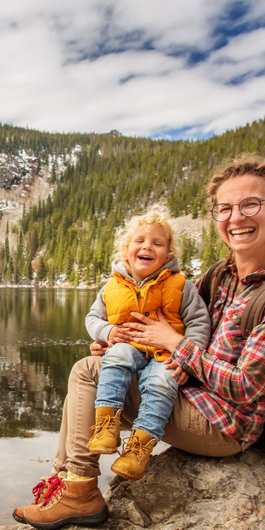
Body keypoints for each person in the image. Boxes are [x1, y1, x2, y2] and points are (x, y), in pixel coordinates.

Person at [13, 155, 265, 530]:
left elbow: (247, 387)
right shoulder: (220, 277)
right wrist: (124, 344)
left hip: (224, 423)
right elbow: (179, 330)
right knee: (101, 365)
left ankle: (77, 492)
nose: (236, 217)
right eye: (225, 208)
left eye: (250, 204)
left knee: (87, 375)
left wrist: (173, 343)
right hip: (190, 393)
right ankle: (70, 483)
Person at [84, 205, 211, 482]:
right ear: (126, 248)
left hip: (167, 352)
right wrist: (107, 332)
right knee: (116, 356)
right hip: (129, 347)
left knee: (162, 383)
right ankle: (106, 425)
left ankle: (139, 448)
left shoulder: (181, 286)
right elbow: (93, 318)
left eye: (158, 243)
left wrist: (187, 357)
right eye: (139, 241)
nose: (147, 247)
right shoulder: (111, 287)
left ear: (169, 252)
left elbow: (200, 323)